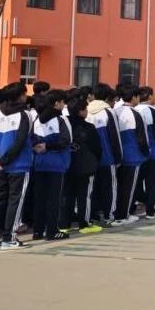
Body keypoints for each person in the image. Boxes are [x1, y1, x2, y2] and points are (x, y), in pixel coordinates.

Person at [0, 83, 35, 249]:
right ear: (21, 96)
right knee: (16, 201)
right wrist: (3, 160)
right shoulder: (25, 115)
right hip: (18, 164)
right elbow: (20, 142)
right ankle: (9, 237)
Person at [31, 90, 71, 241]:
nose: (63, 105)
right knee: (54, 199)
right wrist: (48, 146)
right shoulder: (61, 120)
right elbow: (66, 140)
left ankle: (37, 231)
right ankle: (52, 231)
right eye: (62, 102)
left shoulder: (37, 120)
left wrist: (38, 146)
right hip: (56, 163)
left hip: (39, 162)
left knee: (39, 198)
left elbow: (31, 138)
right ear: (56, 103)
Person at [64, 96, 103, 234]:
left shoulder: (64, 124)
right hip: (86, 166)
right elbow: (97, 148)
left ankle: (64, 224)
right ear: (81, 111)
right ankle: (84, 224)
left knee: (67, 195)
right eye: (85, 109)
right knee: (85, 196)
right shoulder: (88, 127)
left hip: (67, 165)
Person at [86, 84, 122, 225]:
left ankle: (93, 215)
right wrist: (118, 157)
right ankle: (109, 216)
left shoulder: (86, 110)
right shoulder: (108, 112)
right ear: (107, 97)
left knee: (92, 189)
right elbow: (115, 136)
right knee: (110, 188)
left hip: (90, 158)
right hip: (107, 157)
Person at [113, 85, 147, 225]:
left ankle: (116, 213)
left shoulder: (115, 111)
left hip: (117, 156)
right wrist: (145, 152)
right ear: (133, 97)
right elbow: (142, 137)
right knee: (129, 188)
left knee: (118, 187)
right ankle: (124, 215)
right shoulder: (135, 114)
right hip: (132, 156)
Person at [135, 86, 155, 218]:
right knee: (153, 183)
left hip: (138, 153)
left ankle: (135, 207)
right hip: (153, 152)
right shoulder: (153, 111)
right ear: (149, 96)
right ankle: (152, 209)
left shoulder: (134, 110)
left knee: (137, 182)